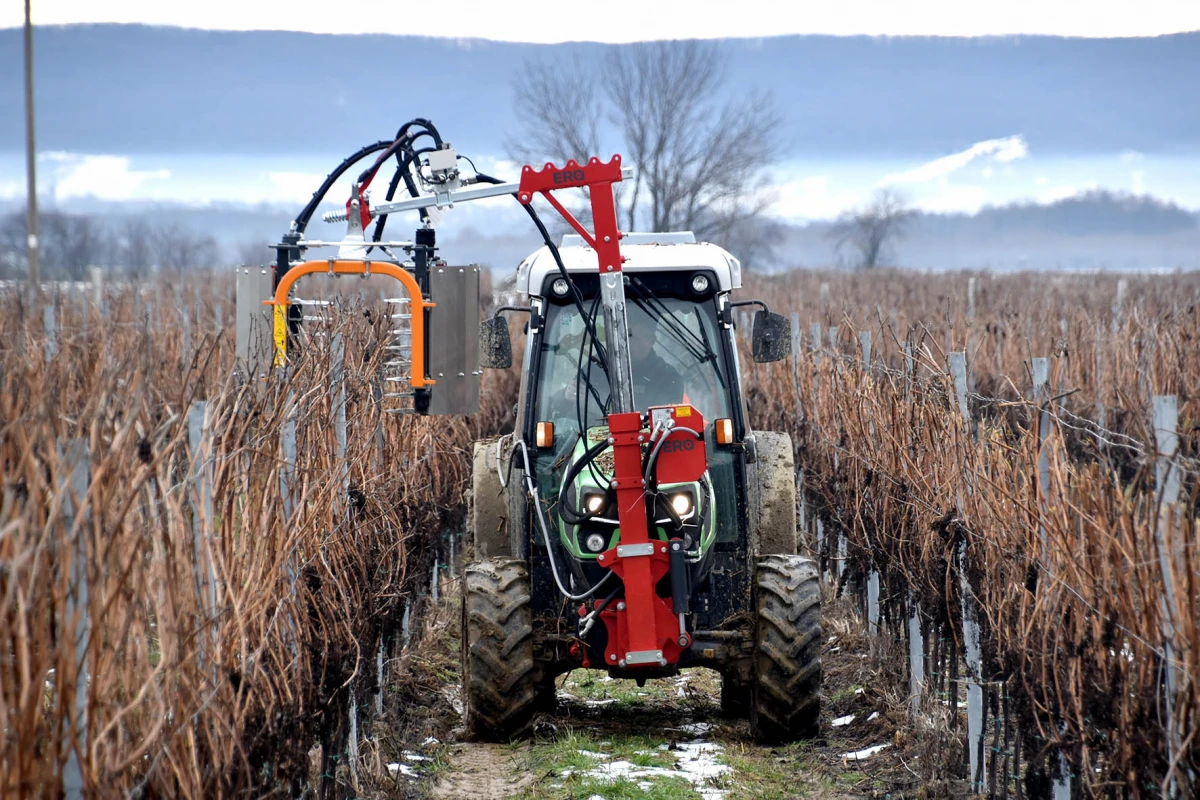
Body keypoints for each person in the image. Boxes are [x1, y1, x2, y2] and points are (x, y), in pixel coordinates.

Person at [627, 325, 685, 409]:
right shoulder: (608, 372)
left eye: (634, 339)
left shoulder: (668, 378)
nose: (628, 343)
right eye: (626, 338)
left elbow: (663, 415)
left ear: (651, 341)